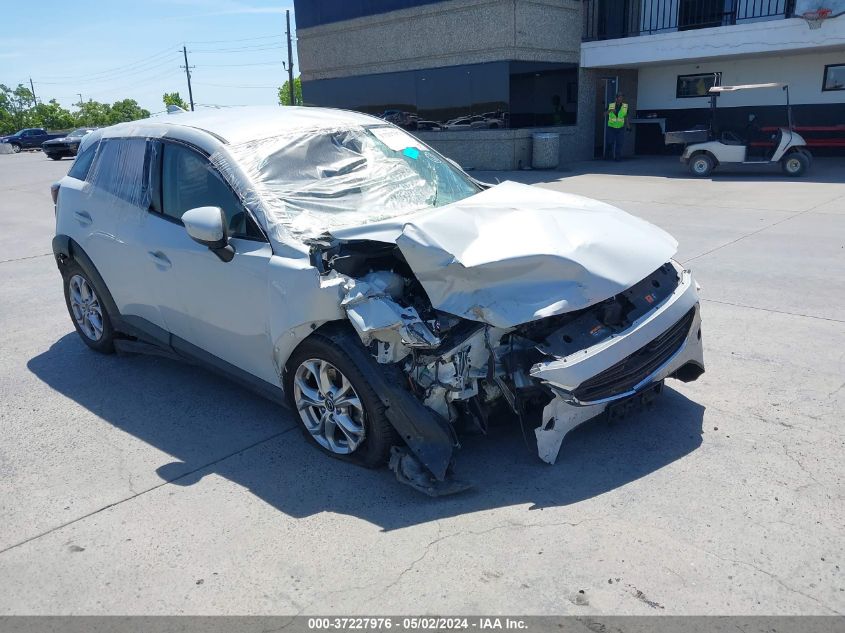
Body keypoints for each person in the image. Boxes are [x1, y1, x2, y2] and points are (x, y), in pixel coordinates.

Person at [606, 93, 631, 161]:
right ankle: (608, 154)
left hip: (620, 128)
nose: (620, 99)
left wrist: (628, 126)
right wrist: (610, 110)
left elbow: (626, 117)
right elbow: (604, 114)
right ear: (616, 99)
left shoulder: (625, 106)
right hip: (611, 127)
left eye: (621, 98)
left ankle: (618, 157)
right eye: (619, 98)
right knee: (610, 142)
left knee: (619, 143)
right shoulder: (611, 105)